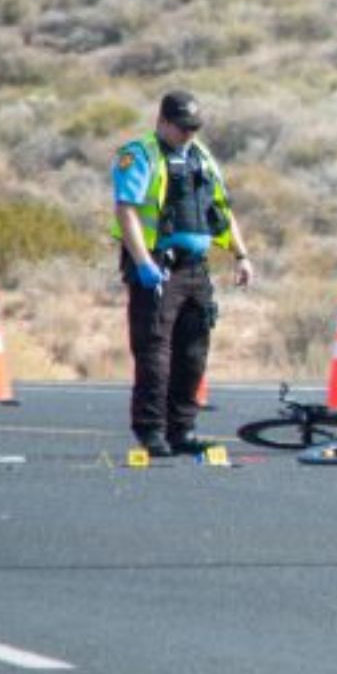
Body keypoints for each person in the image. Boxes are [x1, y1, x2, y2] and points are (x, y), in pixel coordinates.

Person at [112, 90, 255, 455]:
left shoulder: (201, 157)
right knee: (154, 351)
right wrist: (143, 262)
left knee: (193, 352)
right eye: (181, 128)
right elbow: (126, 210)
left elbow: (220, 210)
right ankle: (151, 432)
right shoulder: (139, 155)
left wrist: (241, 254)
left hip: (195, 268)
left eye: (193, 128)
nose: (188, 134)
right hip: (157, 265)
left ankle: (182, 430)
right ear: (162, 122)